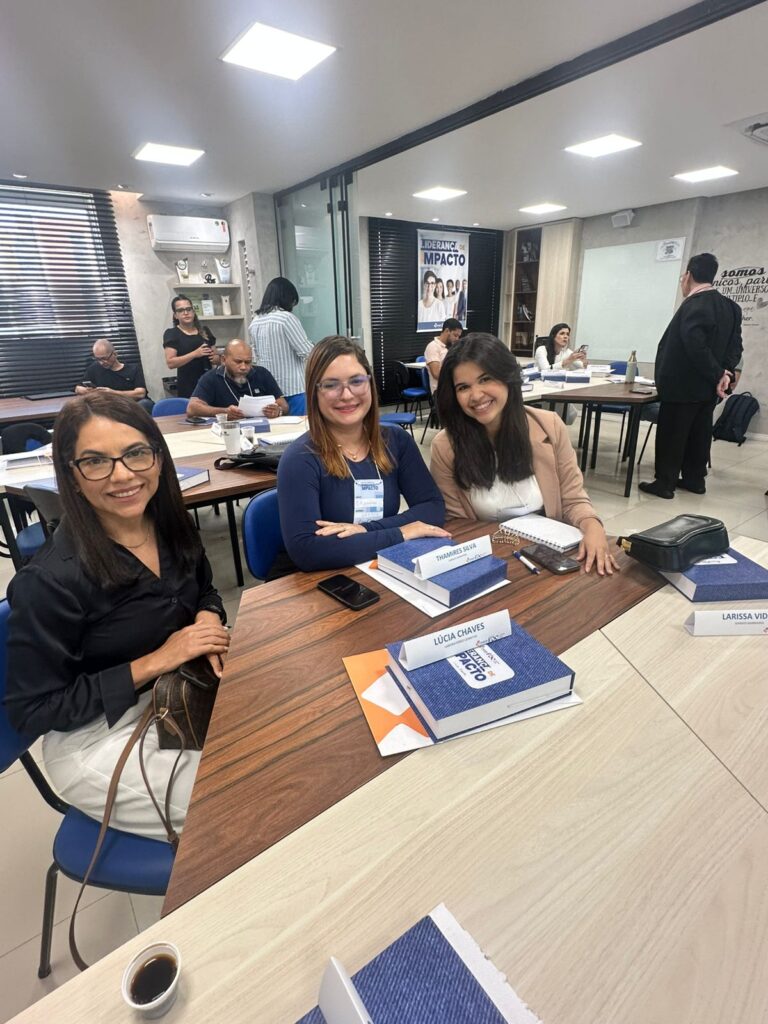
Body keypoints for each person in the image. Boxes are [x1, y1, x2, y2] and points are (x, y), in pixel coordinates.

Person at [5, 392, 229, 839]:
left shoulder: (170, 527)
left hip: (179, 693)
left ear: (158, 459)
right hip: (98, 737)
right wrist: (157, 660)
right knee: (242, 798)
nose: (123, 474)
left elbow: (204, 589)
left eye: (136, 453)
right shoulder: (50, 581)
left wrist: (208, 616)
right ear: (72, 475)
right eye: (95, 462)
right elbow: (33, 712)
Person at [430, 333, 618, 575]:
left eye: (485, 379)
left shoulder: (549, 426)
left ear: (507, 378)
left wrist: (593, 527)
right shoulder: (446, 446)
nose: (476, 395)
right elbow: (456, 522)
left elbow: (573, 499)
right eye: (463, 387)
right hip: (489, 559)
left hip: (549, 555)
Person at [277, 336, 448, 571]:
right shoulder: (300, 458)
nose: (347, 395)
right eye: (331, 385)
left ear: (370, 383)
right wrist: (401, 532)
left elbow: (433, 508)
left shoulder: (396, 441)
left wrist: (365, 530)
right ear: (314, 392)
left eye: (356, 381)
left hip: (382, 567)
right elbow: (307, 551)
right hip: (325, 578)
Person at [640, 252, 742, 499]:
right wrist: (725, 374)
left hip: (682, 385)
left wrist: (718, 372)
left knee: (673, 435)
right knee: (699, 433)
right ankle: (695, 480)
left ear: (688, 275)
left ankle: (665, 483)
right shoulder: (731, 307)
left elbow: (695, 346)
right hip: (709, 388)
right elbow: (735, 347)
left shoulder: (695, 304)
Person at [248, 277, 314, 415]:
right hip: (293, 389)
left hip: (269, 392)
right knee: (298, 427)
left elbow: (255, 357)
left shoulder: (255, 322)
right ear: (287, 298)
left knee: (275, 428)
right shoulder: (286, 318)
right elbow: (307, 352)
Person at [188, 339, 288, 420]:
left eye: (247, 362)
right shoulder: (211, 378)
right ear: (223, 360)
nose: (243, 367)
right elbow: (192, 408)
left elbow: (284, 405)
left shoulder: (262, 373)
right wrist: (224, 412)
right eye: (238, 362)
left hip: (263, 428)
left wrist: (278, 410)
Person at [163, 295, 218, 398]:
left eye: (188, 309)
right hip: (188, 385)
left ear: (193, 311)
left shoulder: (205, 330)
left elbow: (216, 356)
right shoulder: (172, 333)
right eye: (181, 310)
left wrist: (215, 358)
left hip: (210, 382)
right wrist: (195, 354)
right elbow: (171, 363)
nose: (186, 313)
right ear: (175, 315)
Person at [76, 339, 153, 413]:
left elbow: (140, 393)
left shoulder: (133, 369)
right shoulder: (94, 368)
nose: (101, 362)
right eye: (98, 359)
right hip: (111, 408)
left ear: (115, 354)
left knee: (144, 404)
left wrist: (112, 393)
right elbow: (78, 388)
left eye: (104, 358)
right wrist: (89, 391)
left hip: (132, 405)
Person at [424, 318, 463, 394]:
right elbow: (436, 374)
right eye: (455, 335)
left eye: (458, 336)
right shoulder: (433, 347)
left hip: (453, 388)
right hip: (440, 392)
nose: (457, 339)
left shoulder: (451, 347)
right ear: (447, 331)